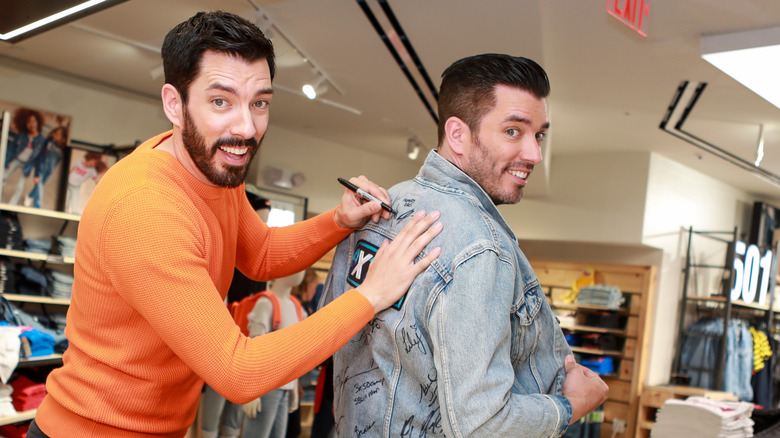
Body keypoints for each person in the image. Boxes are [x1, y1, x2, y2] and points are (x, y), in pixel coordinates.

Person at [27, 11, 442, 438]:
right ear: (175, 103)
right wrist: (371, 295)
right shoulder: (146, 207)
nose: (246, 128)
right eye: (220, 101)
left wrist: (338, 220)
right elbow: (237, 372)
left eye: (259, 103)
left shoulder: (210, 168)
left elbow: (260, 253)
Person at [320, 54, 608, 437]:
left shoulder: (381, 208)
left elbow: (328, 333)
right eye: (513, 132)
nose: (534, 154)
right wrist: (569, 407)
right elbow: (483, 425)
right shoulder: (480, 248)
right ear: (458, 134)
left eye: (538, 135)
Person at [242, 271, 308, 438]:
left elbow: (295, 354)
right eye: (298, 267)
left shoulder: (297, 307)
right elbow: (254, 350)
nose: (302, 272)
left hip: (285, 388)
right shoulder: (266, 303)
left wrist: (293, 386)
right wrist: (251, 392)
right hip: (266, 388)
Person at [4, 109, 46, 205]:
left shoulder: (41, 140)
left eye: (33, 121)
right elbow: (11, 150)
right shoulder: (21, 136)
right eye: (28, 122)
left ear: (38, 123)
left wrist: (36, 174)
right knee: (3, 177)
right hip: (16, 159)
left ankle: (12, 205)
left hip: (27, 164)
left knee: (20, 186)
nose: (31, 124)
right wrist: (5, 162)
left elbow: (39, 159)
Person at [25, 125, 69, 208]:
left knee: (40, 186)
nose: (55, 135)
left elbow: (57, 161)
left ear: (63, 138)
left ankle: (30, 196)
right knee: (40, 186)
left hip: (49, 171)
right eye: (55, 133)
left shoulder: (63, 148)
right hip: (42, 168)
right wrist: (37, 174)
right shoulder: (49, 141)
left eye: (58, 134)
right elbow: (41, 156)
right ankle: (37, 207)